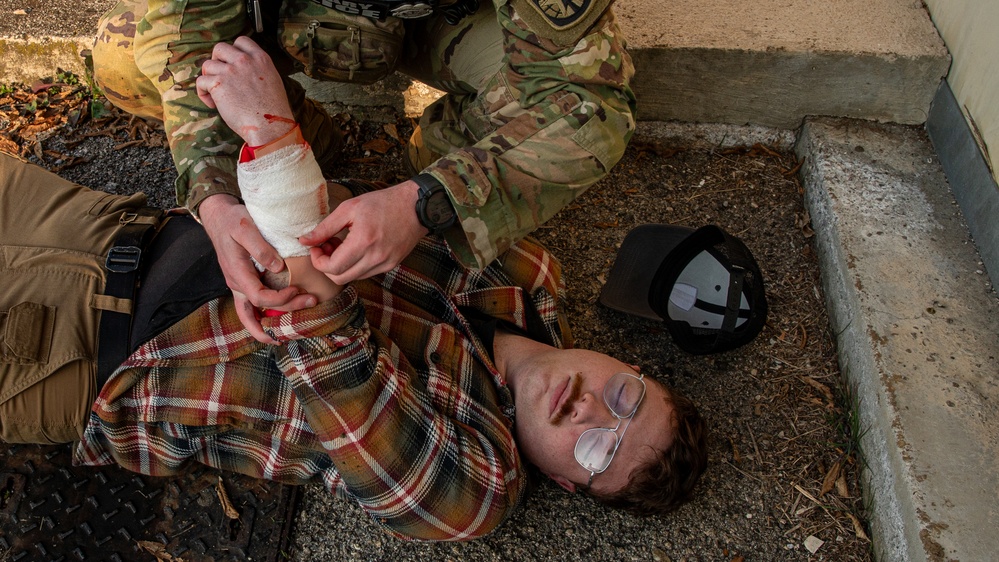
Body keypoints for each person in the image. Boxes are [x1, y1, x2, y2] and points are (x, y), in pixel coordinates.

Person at [0, 128, 704, 540]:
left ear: (562, 480)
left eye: (594, 448)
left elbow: (320, 333)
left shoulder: (475, 489)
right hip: (106, 228)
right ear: (623, 363)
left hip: (70, 356)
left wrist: (271, 138)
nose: (586, 412)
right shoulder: (528, 273)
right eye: (622, 400)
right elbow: (350, 207)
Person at [90, 0, 638, 339]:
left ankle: (431, 152)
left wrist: (427, 199)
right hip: (297, 11)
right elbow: (187, 43)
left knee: (546, 102)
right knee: (125, 59)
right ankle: (305, 138)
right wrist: (215, 198)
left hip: (448, 13)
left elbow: (586, 102)